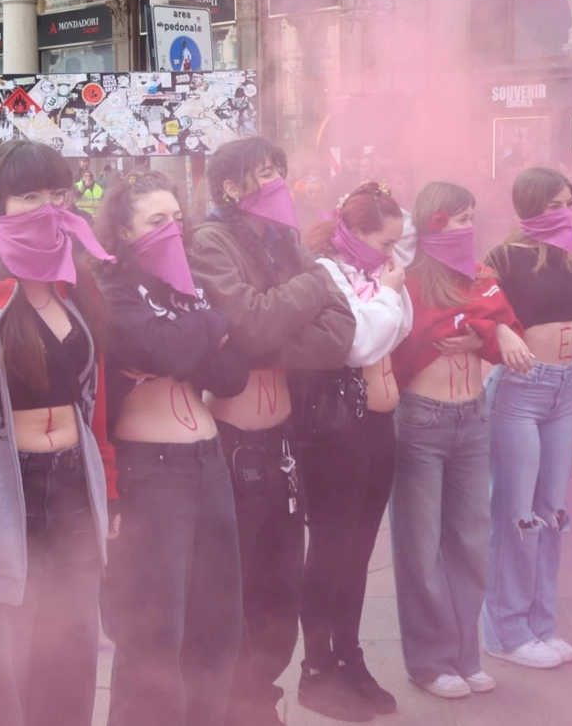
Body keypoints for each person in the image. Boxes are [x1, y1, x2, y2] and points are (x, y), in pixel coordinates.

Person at [0, 141, 114, 726]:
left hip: (74, 484)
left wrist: (109, 487)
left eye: (57, 195)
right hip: (2, 488)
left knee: (74, 636)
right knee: (7, 645)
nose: (46, 208)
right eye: (28, 196)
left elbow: (96, 399)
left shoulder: (76, 280)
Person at [186, 137, 355, 726]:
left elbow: (340, 334)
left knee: (282, 585)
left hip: (284, 441)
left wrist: (275, 315)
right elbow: (249, 324)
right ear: (231, 187)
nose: (279, 182)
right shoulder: (210, 242)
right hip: (233, 447)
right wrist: (311, 288)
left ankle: (263, 697)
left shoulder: (286, 242)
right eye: (265, 173)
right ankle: (233, 705)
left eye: (282, 170)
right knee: (236, 585)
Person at [94, 171, 251, 726]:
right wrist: (212, 329)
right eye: (155, 222)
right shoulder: (111, 287)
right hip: (151, 474)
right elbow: (159, 344)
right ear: (122, 230)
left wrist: (197, 333)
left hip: (208, 467)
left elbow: (231, 375)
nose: (171, 231)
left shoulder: (190, 286)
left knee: (219, 623)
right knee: (155, 630)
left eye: (176, 220)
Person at [389, 181, 526, 699]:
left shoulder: (483, 274)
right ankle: (429, 661)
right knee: (420, 548)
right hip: (422, 422)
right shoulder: (410, 279)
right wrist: (491, 330)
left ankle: (466, 655)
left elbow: (507, 323)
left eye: (471, 216)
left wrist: (494, 332)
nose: (467, 226)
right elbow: (429, 328)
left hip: (474, 418)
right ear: (431, 222)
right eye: (456, 217)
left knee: (469, 542)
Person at [296, 181, 413, 721]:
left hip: (377, 428)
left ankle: (349, 654)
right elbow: (361, 342)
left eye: (396, 245)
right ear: (355, 234)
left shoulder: (374, 275)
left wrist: (389, 290)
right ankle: (317, 667)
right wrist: (387, 295)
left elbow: (399, 327)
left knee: (360, 552)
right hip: (336, 433)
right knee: (330, 552)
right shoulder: (324, 274)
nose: (392, 255)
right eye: (385, 243)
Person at [481, 168, 572, 670]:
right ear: (528, 208)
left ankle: (541, 623)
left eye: (567, 202)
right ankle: (505, 629)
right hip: (520, 391)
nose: (563, 212)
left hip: (564, 391)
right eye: (552, 205)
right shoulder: (503, 257)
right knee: (517, 511)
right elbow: (471, 307)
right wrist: (502, 330)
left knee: (553, 510)